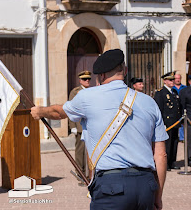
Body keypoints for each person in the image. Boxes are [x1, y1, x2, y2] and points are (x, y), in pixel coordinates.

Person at [31, 49, 168, 210]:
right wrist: (157, 196)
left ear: (101, 76)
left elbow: (58, 112)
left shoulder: (87, 97)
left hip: (112, 186)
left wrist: (40, 111)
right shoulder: (149, 102)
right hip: (145, 185)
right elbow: (160, 155)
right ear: (124, 71)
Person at [154, 72, 181, 171]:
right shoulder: (160, 93)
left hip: (175, 122)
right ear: (165, 81)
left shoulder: (174, 92)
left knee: (174, 143)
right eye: (170, 80)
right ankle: (166, 164)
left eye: (173, 80)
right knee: (168, 144)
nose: (172, 81)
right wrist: (161, 123)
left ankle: (172, 161)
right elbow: (159, 109)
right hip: (167, 123)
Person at [69, 71, 91, 183]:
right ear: (80, 80)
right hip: (80, 126)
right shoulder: (75, 92)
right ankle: (80, 173)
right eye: (85, 79)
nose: (87, 81)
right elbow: (71, 109)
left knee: (91, 150)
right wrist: (72, 125)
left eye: (88, 79)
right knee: (80, 151)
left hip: (91, 125)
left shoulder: (93, 91)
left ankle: (90, 174)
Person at [179, 75, 191, 166]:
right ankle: (189, 159)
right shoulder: (185, 91)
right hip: (189, 119)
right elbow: (182, 105)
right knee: (189, 141)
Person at [173, 73, 187, 142]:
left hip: (183, 107)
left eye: (179, 78)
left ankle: (182, 138)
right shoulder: (172, 88)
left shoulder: (185, 88)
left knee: (183, 123)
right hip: (174, 108)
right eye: (176, 78)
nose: (178, 80)